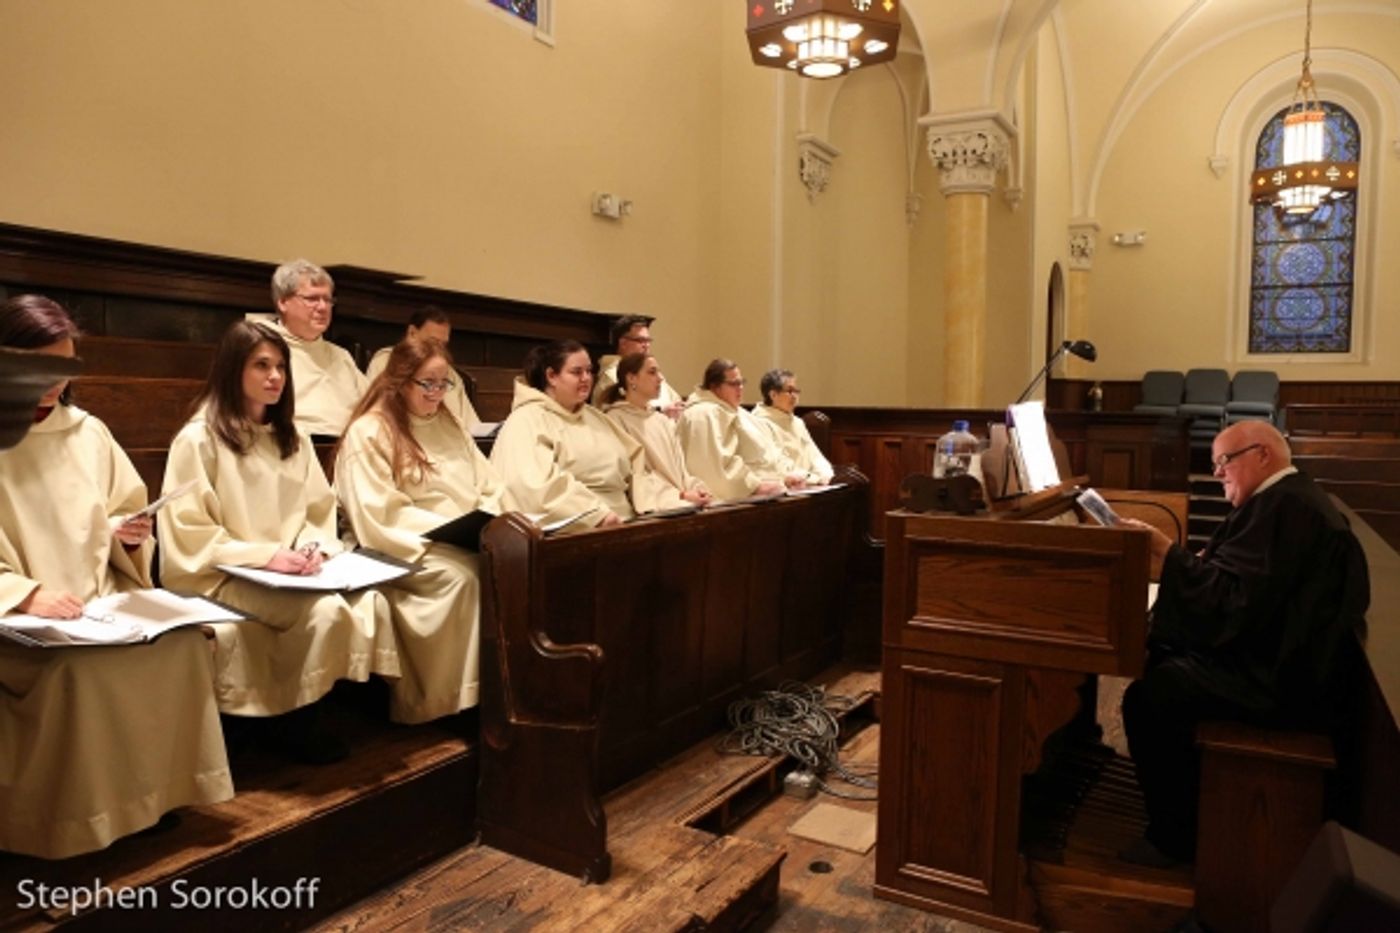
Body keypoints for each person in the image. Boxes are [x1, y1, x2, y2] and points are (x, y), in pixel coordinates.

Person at [0, 295, 233, 858]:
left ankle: (144, 800)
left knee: (179, 646)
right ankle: (72, 824)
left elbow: (115, 509)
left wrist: (121, 531)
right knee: (75, 676)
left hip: (96, 602)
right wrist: (24, 594)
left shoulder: (87, 431)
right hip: (20, 621)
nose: (57, 383)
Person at [1117, 420, 1369, 867]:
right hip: (1280, 657)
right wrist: (1199, 563)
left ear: (1263, 454)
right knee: (1162, 661)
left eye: (1223, 462)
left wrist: (1165, 552)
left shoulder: (1285, 507)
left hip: (1281, 682)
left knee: (1151, 696)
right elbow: (1246, 588)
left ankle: (1175, 838)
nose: (1216, 474)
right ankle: (1186, 804)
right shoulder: (1286, 500)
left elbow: (1232, 604)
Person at [159, 320, 393, 763]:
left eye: (281, 367)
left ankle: (297, 717)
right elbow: (189, 529)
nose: (275, 377)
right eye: (261, 365)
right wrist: (266, 556)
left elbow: (317, 511)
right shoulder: (199, 439)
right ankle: (282, 724)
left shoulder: (294, 437)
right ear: (233, 370)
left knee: (352, 605)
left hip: (289, 574)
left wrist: (311, 549)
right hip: (221, 576)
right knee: (322, 612)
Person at [336, 337, 512, 723]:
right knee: (465, 579)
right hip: (398, 546)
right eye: (426, 384)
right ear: (400, 381)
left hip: (462, 537)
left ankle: (504, 687)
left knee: (517, 567)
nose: (436, 394)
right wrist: (447, 531)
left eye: (443, 383)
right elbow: (377, 512)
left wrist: (491, 518)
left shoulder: (450, 425)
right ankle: (455, 702)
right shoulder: (369, 431)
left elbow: (491, 484)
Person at [492, 339, 677, 529]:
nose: (586, 378)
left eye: (589, 371)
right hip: (577, 531)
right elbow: (533, 487)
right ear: (551, 376)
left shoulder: (595, 417)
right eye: (576, 372)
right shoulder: (527, 420)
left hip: (627, 522)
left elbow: (637, 472)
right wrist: (596, 515)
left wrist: (672, 500)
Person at [268, 259, 368, 437]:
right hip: (290, 447)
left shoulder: (341, 355)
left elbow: (373, 407)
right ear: (283, 302)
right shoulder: (263, 348)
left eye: (327, 299)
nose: (322, 307)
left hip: (345, 450)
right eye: (312, 298)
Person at [600, 353, 712, 506]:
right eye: (652, 372)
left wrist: (695, 488)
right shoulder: (615, 420)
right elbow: (634, 477)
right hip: (657, 505)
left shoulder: (661, 420)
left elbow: (680, 469)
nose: (660, 378)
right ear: (631, 378)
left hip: (682, 501)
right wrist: (680, 496)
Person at [676, 359, 795, 501]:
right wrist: (755, 486)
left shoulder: (733, 411)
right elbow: (714, 473)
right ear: (715, 387)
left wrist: (783, 477)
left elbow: (765, 453)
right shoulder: (704, 415)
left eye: (741, 382)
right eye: (733, 384)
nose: (740, 388)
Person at [365, 306, 481, 429]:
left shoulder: (450, 373)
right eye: (433, 342)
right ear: (412, 333)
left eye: (443, 344)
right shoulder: (386, 361)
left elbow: (471, 425)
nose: (439, 350)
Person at [591, 314, 684, 417]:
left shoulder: (653, 370)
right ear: (623, 343)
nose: (646, 346)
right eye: (641, 341)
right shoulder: (611, 375)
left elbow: (676, 400)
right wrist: (662, 413)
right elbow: (621, 414)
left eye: (648, 341)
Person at [753, 368, 834, 486]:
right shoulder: (758, 422)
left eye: (796, 391)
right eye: (790, 391)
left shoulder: (797, 422)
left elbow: (814, 455)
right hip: (782, 487)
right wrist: (813, 479)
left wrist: (826, 475)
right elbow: (777, 464)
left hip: (809, 484)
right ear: (773, 394)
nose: (795, 396)